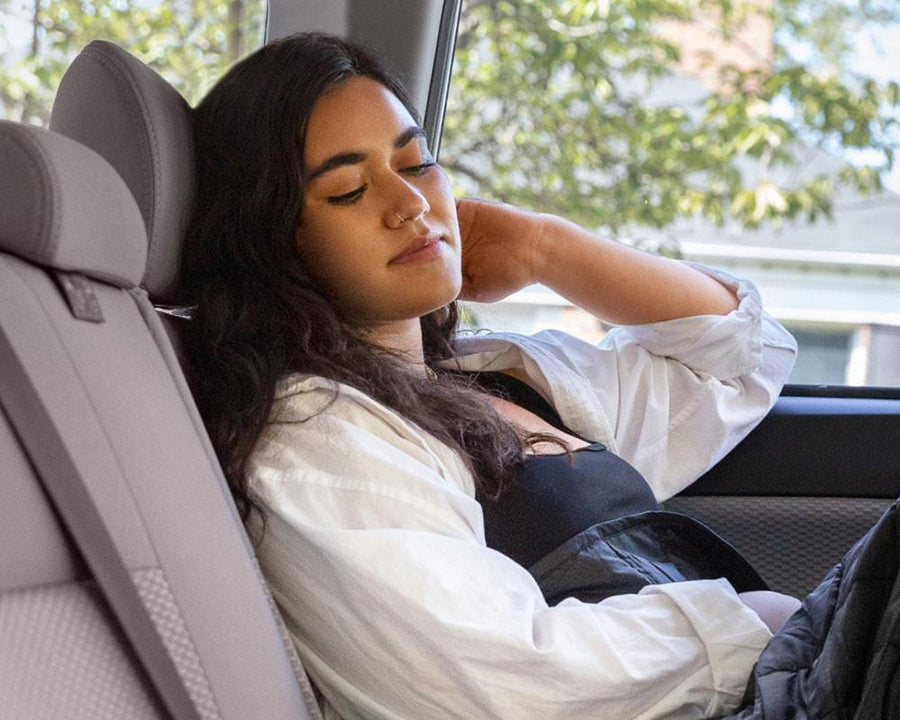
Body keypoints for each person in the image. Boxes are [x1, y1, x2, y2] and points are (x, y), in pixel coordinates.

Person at [183, 32, 802, 719]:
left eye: (417, 163)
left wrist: (543, 247)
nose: (410, 203)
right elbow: (494, 689)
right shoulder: (319, 435)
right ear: (270, 241)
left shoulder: (485, 373)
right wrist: (751, 623)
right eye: (350, 190)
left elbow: (741, 359)